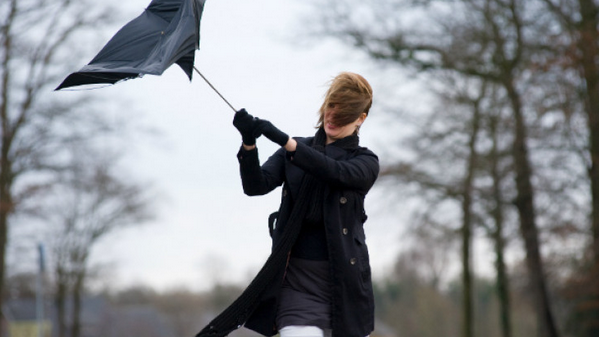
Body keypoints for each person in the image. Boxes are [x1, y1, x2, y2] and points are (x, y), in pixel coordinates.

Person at [196, 72, 379, 337]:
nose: (332, 117)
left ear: (361, 118)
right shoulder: (294, 151)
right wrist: (249, 143)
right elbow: (255, 186)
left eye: (343, 114)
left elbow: (334, 171)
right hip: (297, 284)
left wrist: (285, 140)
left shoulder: (365, 162)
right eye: (331, 107)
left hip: (345, 286)